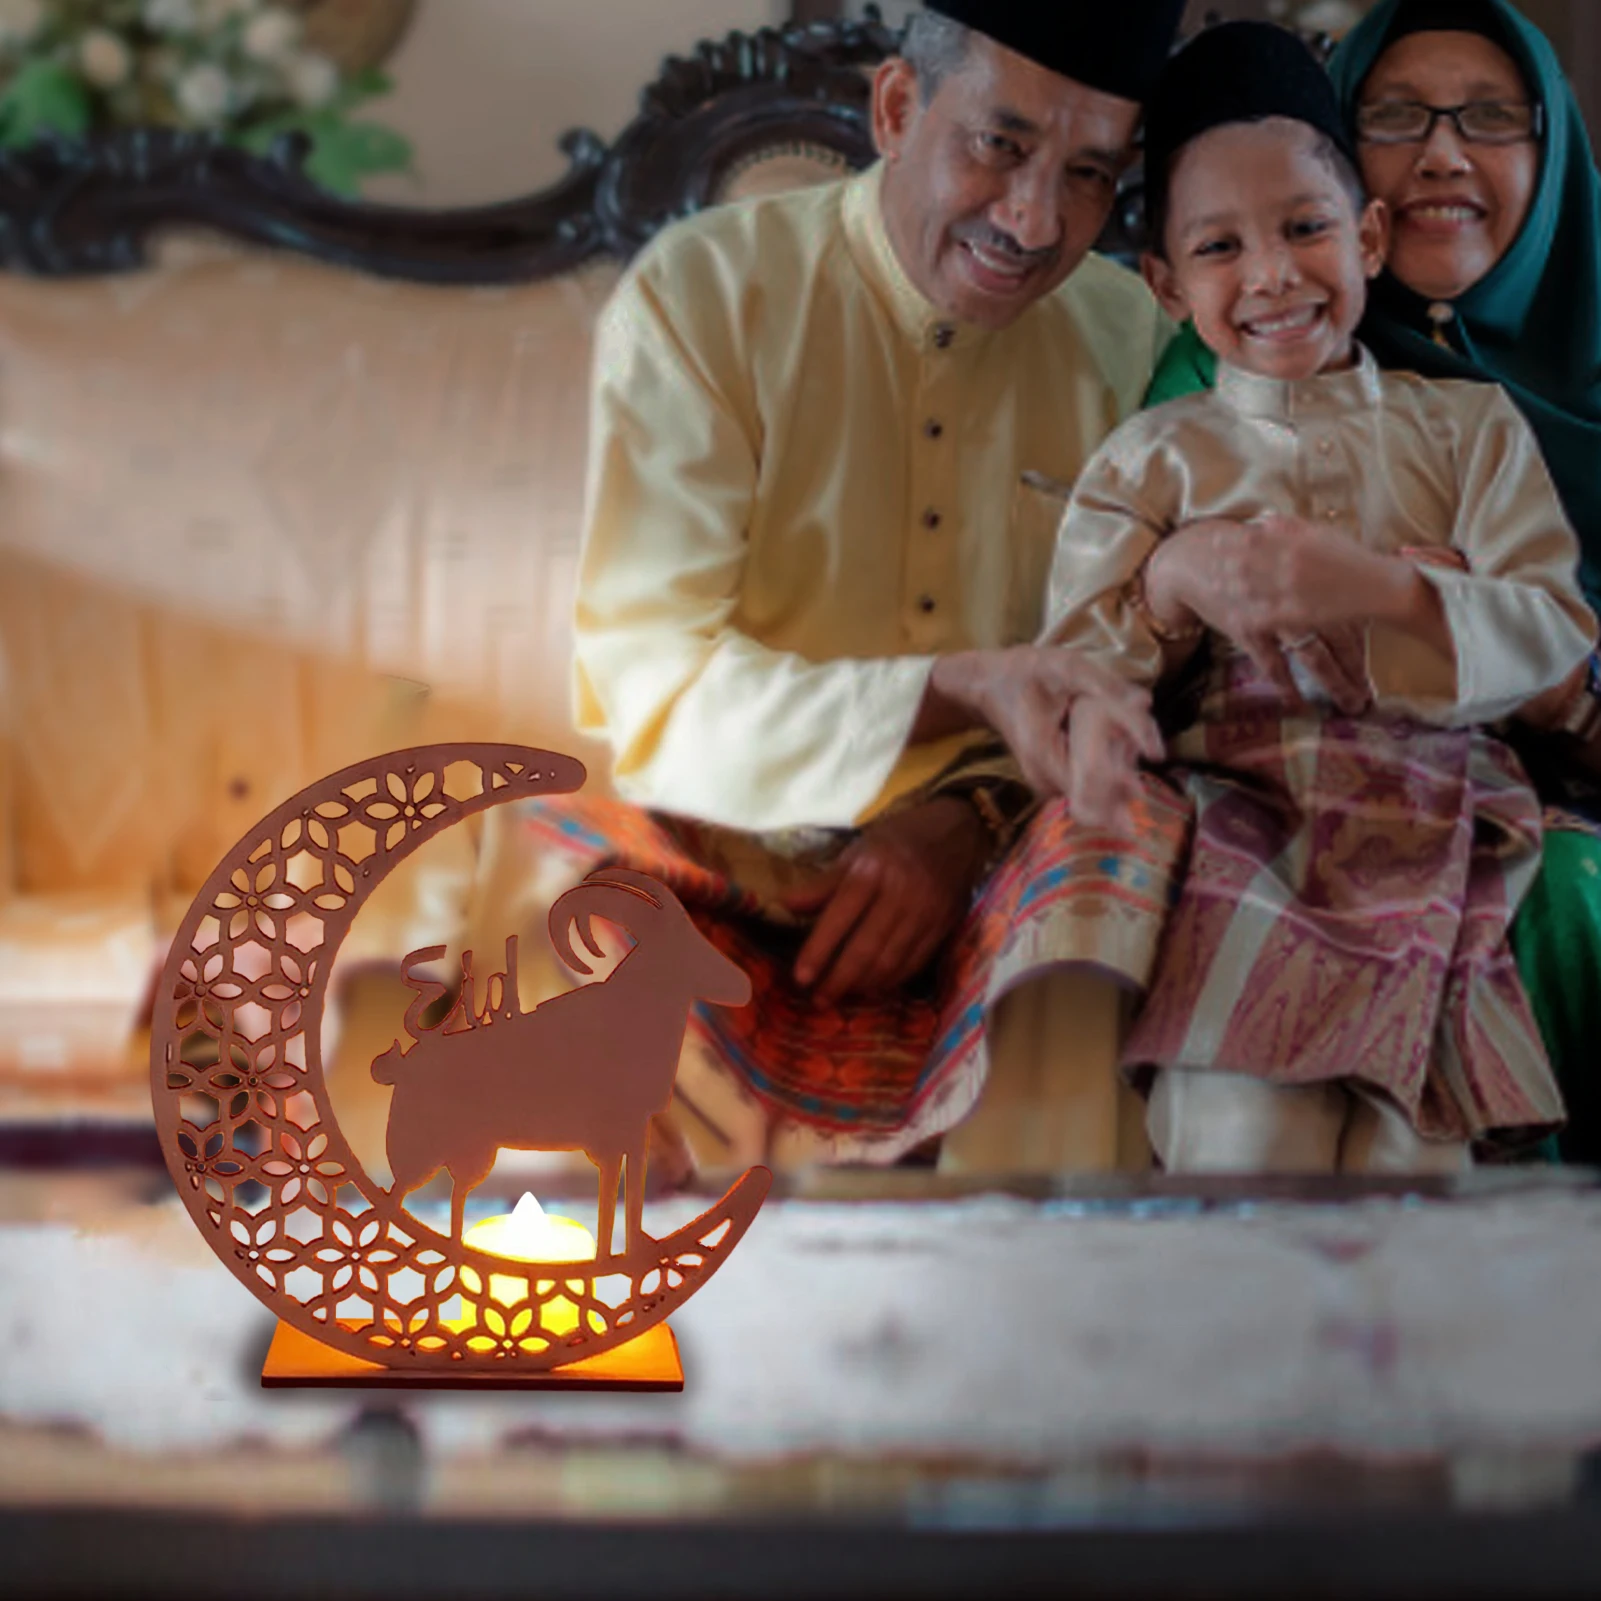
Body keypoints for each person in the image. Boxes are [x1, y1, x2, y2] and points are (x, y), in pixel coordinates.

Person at [523, 2, 1189, 1180]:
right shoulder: (705, 297)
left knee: (1110, 865)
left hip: (1002, 862)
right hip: (726, 831)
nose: (1034, 219)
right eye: (998, 145)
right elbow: (654, 690)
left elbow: (1148, 673)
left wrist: (965, 821)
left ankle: (1042, 1281)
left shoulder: (1129, 340)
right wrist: (958, 688)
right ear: (895, 108)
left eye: (1088, 175)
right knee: (555, 884)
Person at [1044, 20, 1595, 1173]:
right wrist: (1160, 602)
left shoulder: (1467, 426)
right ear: (1163, 282)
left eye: (1305, 228)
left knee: (1413, 1162)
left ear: (1367, 236)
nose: (1271, 274)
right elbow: (1080, 660)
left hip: (1438, 827)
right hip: (1252, 835)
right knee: (1243, 1141)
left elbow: (1551, 632)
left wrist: (1388, 591)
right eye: (1218, 246)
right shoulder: (1152, 453)